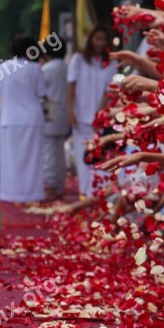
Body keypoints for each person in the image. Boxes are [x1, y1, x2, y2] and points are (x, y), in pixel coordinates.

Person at [0, 35, 46, 203]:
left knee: (10, 158)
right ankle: (32, 194)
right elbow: (41, 94)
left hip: (9, 118)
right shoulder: (35, 68)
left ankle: (10, 193)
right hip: (32, 118)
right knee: (33, 159)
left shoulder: (2, 68)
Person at [67, 25, 116, 197]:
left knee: (98, 155)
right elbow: (71, 86)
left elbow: (108, 91)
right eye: (97, 39)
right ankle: (84, 191)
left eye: (103, 39)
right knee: (82, 155)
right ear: (90, 40)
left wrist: (100, 114)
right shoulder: (78, 59)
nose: (100, 43)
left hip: (99, 117)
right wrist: (70, 110)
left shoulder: (111, 61)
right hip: (80, 114)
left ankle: (97, 193)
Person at [41, 37, 68, 199]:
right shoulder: (67, 67)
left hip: (50, 110)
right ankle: (59, 184)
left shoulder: (47, 69)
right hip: (64, 110)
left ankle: (51, 186)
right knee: (59, 151)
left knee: (50, 151)